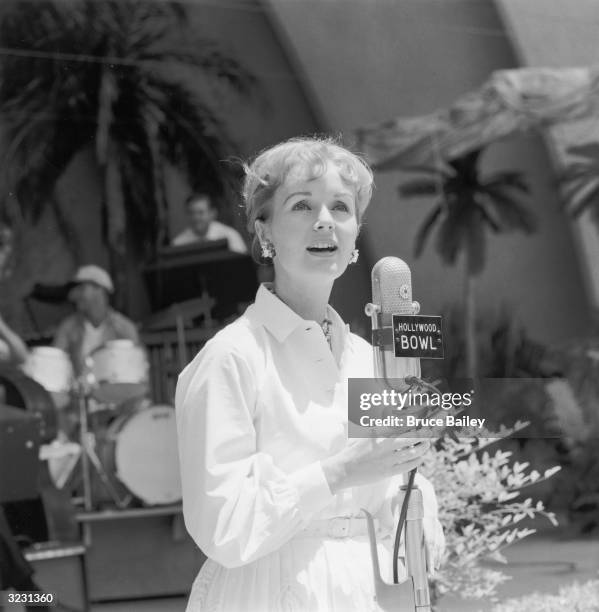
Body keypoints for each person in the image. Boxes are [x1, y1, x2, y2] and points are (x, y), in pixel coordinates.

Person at [175, 137, 445, 612]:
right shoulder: (231, 359)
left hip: (365, 593)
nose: (325, 219)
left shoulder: (367, 359)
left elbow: (390, 495)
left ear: (356, 233)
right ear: (265, 233)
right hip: (265, 592)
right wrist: (339, 472)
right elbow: (223, 525)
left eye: (340, 206)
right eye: (302, 205)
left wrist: (414, 501)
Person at [53, 265, 140, 376]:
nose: (74, 294)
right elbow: (55, 361)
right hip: (78, 392)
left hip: (112, 392)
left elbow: (136, 370)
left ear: (99, 289)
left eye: (81, 288)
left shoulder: (124, 328)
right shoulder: (68, 327)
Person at [171, 193, 248, 254]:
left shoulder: (230, 236)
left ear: (212, 213)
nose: (195, 218)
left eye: (200, 212)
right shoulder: (179, 244)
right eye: (191, 213)